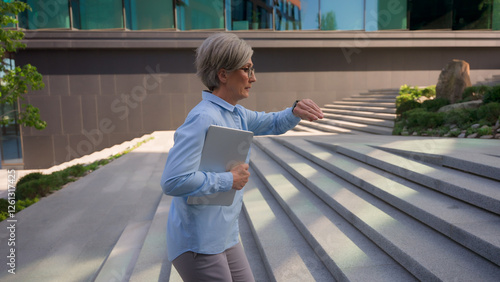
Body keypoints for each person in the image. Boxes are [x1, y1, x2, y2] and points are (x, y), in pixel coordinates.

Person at [160, 32, 323, 281]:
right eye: (247, 69)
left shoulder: (237, 114)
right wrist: (228, 180)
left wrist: (295, 110)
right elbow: (173, 180)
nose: (253, 78)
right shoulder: (202, 117)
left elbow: (273, 122)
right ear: (223, 75)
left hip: (226, 238)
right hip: (198, 243)